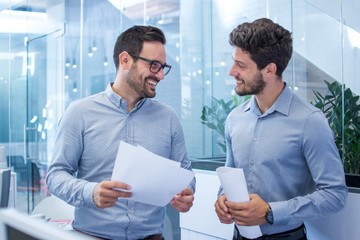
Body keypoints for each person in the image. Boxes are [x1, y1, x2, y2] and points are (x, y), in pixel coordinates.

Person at [46, 25, 195, 240]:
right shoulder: (79, 113)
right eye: (154, 65)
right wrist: (91, 192)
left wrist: (185, 192)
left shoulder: (168, 118)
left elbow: (185, 173)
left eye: (163, 67)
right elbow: (56, 175)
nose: (161, 75)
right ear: (125, 60)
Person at [214, 18, 348, 240]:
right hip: (238, 235)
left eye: (241, 65)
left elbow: (335, 195)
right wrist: (222, 200)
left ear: (269, 70)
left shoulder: (309, 121)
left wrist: (270, 213)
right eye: (233, 62)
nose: (231, 71)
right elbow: (230, 175)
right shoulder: (234, 119)